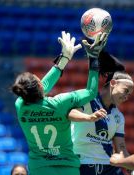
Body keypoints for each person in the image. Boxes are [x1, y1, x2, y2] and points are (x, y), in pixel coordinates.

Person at [11, 31, 109, 175]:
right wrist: (93, 58)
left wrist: (64, 59)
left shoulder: (20, 106)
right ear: (39, 86)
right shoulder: (60, 103)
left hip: (39, 169)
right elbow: (91, 92)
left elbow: (41, 86)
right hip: (67, 168)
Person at [69, 51, 134, 175]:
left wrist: (133, 171)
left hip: (107, 167)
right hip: (81, 164)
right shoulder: (87, 99)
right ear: (112, 83)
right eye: (125, 91)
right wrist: (89, 117)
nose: (127, 96)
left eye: (129, 94)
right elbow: (70, 113)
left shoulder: (119, 117)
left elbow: (120, 149)